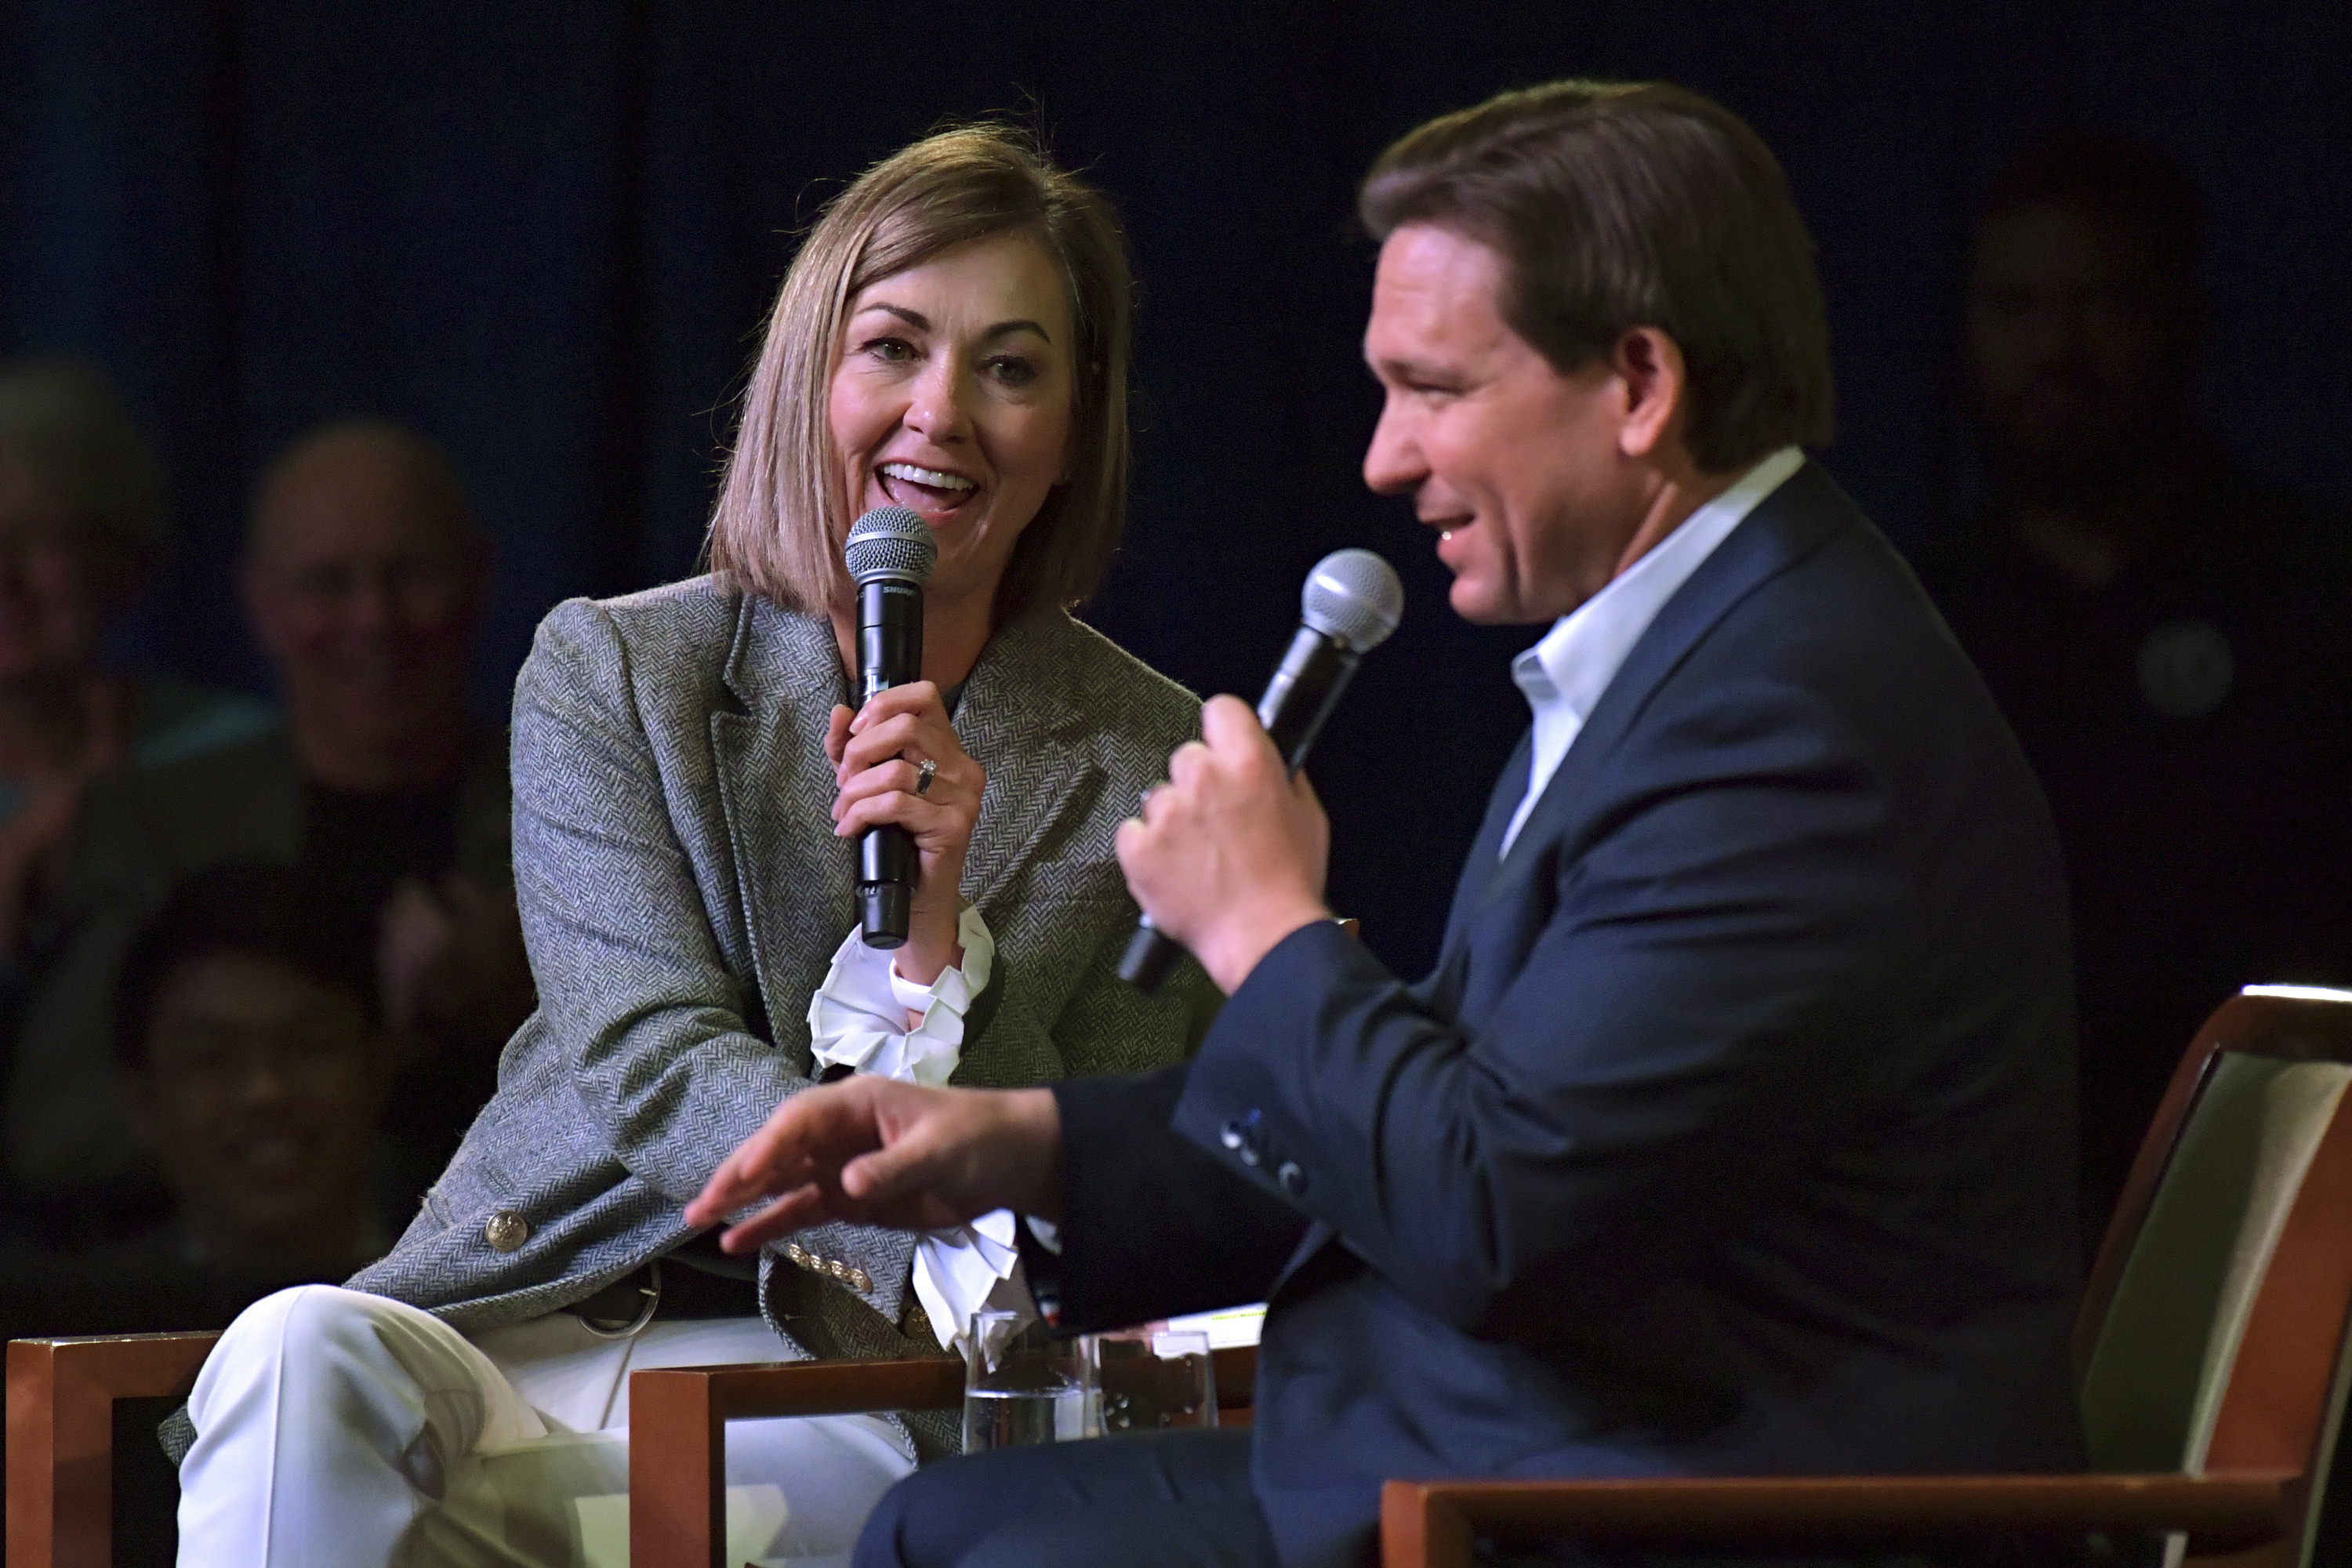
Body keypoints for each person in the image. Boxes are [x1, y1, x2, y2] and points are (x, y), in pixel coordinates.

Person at [690, 82, 2089, 1568]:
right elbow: (1472, 1115)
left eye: (1436, 389)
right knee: (941, 1524)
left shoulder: (1788, 722)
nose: (1384, 458)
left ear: (1639, 384)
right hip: (1529, 1457)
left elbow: (1493, 1211)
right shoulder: (1699, 659)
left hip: (1691, 1506)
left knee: (977, 1545)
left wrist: (1267, 925)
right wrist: (1016, 1145)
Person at [169, 125, 1218, 1566]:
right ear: (810, 381)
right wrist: (888, 1195)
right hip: (522, 1308)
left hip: (848, 1383)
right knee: (294, 1350)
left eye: (1012, 366)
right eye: (894, 348)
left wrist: (935, 939)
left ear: (1076, 422)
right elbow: (648, 1060)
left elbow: (1095, 1175)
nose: (943, 413)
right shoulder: (619, 669)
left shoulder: (1160, 763)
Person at [1917, 132, 2352, 1238]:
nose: (2057, 350)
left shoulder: (2314, 595)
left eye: (2102, 303)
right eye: (2016, 307)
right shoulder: (1900, 623)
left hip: (2288, 1215)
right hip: (1974, 1235)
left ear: (2186, 318)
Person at [2, 419, 528, 1218]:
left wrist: (533, 1010)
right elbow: (58, 1133)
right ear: (264, 605)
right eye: (327, 584)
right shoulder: (155, 827)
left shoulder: (576, 804)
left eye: (410, 574)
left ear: (480, 579)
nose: (373, 619)